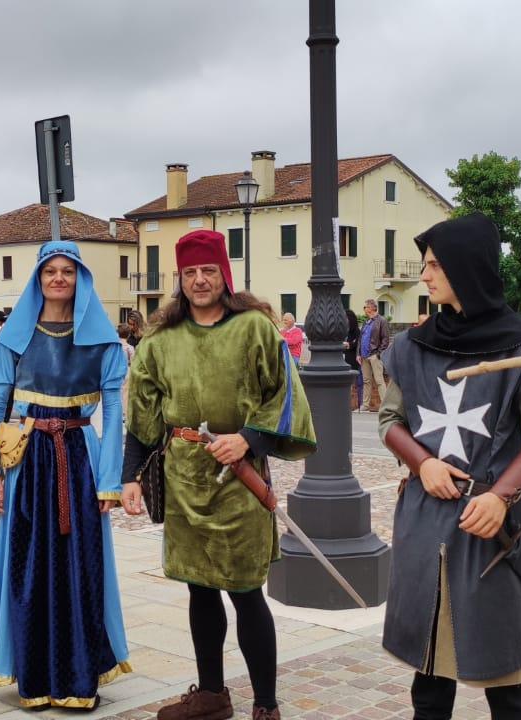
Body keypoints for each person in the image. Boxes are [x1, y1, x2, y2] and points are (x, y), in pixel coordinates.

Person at [121, 229, 316, 720]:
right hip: (185, 477)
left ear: (223, 274)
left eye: (208, 271)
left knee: (246, 591)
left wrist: (250, 438)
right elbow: (141, 414)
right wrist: (129, 478)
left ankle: (266, 705)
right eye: (190, 273)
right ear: (180, 280)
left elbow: (285, 396)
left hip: (240, 477)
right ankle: (211, 695)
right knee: (199, 587)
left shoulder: (255, 327)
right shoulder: (160, 339)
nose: (200, 280)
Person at [378, 214, 521, 720]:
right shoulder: (411, 347)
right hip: (426, 519)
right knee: (429, 685)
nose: (426, 275)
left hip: (492, 527)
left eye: (435, 265)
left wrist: (501, 496)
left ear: (466, 267)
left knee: (508, 687)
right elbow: (390, 420)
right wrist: (422, 463)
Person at [0, 241, 133, 709]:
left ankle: (79, 676)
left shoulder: (102, 342)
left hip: (79, 459)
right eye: (50, 271)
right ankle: (34, 674)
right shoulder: (12, 340)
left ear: (80, 278)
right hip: (27, 463)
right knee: (27, 567)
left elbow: (115, 409)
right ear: (38, 279)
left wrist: (110, 481)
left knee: (81, 566)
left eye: (67, 271)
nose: (58, 278)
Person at [359, 298, 391, 412]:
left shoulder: (381, 321)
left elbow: (385, 339)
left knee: (379, 380)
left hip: (374, 355)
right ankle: (365, 404)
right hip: (364, 356)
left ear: (372, 308)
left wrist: (378, 354)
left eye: (365, 307)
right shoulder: (366, 322)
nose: (364, 309)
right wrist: (359, 354)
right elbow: (361, 338)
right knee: (366, 381)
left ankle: (385, 405)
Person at [344, 308, 362, 409]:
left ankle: (353, 404)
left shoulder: (356, 331)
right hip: (345, 357)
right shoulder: (345, 330)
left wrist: (349, 344)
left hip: (352, 358)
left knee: (353, 383)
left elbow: (357, 343)